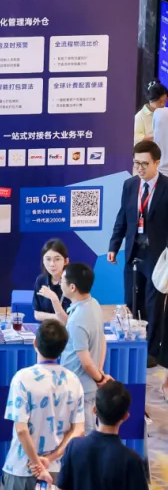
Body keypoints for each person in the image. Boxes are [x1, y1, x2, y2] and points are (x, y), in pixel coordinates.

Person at [0, 318, 84, 490]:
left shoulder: (22, 379)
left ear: (35, 343)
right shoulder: (73, 381)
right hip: (56, 474)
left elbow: (21, 429)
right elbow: (79, 429)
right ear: (63, 348)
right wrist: (52, 458)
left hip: (20, 470)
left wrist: (36, 461)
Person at [109, 139, 168, 370]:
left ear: (156, 163)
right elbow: (123, 217)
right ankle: (133, 344)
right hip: (134, 251)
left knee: (154, 304)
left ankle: (151, 351)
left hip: (158, 256)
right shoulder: (130, 185)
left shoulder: (166, 187)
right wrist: (114, 246)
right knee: (132, 300)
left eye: (144, 164)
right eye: (136, 163)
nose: (139, 168)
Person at [58, 262, 107, 433]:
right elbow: (102, 340)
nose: (60, 283)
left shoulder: (78, 319)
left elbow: (85, 362)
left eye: (62, 280)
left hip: (80, 389)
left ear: (72, 287)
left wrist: (99, 379)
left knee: (83, 433)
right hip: (89, 384)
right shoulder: (94, 304)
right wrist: (99, 373)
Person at [32, 238, 72, 321]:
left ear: (66, 261)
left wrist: (54, 299)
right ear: (43, 261)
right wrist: (58, 317)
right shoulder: (41, 280)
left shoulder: (72, 282)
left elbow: (70, 320)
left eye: (57, 259)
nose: (52, 264)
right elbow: (37, 314)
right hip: (46, 327)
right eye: (48, 259)